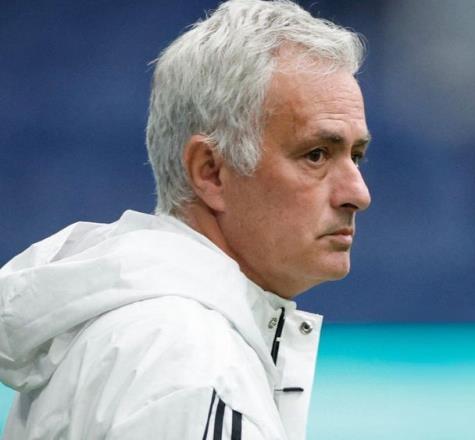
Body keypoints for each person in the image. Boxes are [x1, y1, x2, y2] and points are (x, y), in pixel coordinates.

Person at [0, 0, 371, 438]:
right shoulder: (190, 362)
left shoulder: (140, 332)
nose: (358, 194)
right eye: (316, 155)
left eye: (357, 156)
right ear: (210, 172)